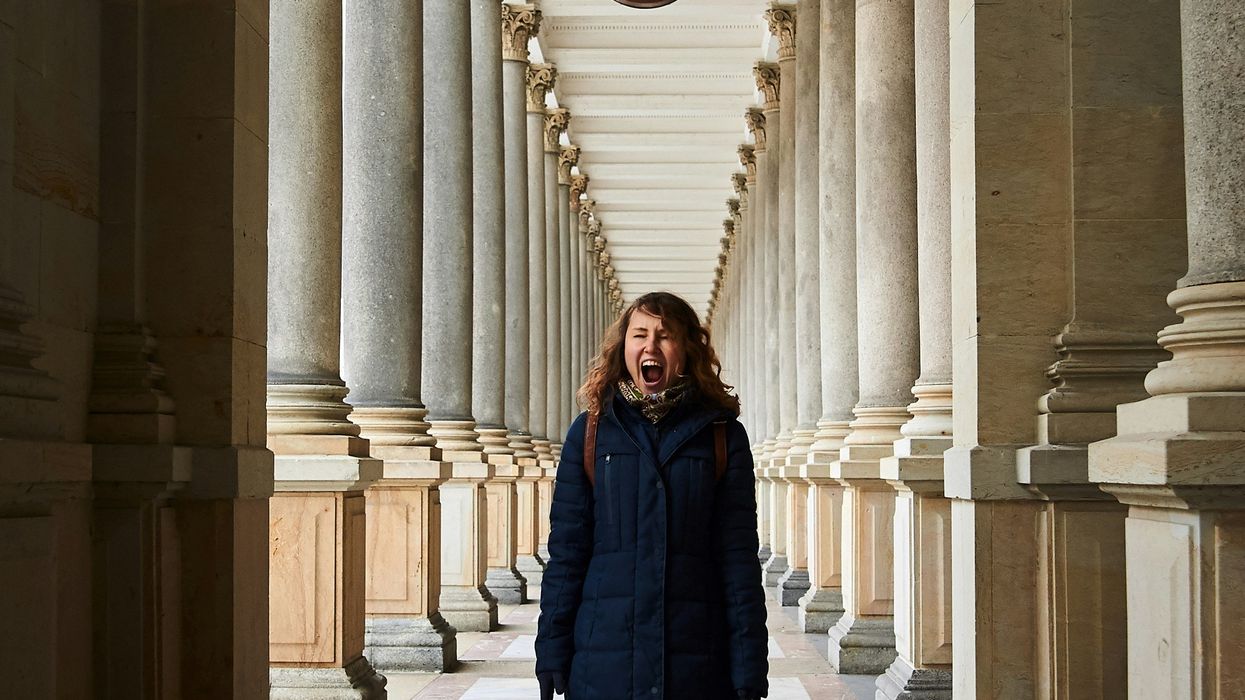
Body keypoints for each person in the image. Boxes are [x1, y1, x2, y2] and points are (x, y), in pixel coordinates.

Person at [535, 291, 768, 699]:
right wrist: (551, 647)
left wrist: (749, 661)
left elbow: (738, 558)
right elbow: (568, 551)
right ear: (623, 346)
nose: (650, 345)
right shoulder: (589, 433)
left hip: (697, 660)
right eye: (639, 334)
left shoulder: (722, 436)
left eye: (665, 335)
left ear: (688, 349)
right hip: (604, 659)